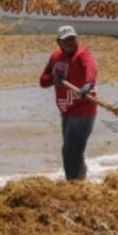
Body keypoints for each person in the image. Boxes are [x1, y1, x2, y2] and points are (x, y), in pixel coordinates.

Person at [39, 25, 97, 181]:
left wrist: (88, 84)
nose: (70, 43)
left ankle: (72, 184)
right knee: (75, 149)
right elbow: (43, 81)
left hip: (83, 109)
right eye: (66, 41)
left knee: (71, 151)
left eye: (72, 39)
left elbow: (90, 68)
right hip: (66, 111)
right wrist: (53, 79)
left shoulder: (82, 54)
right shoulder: (56, 57)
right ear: (59, 42)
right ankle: (81, 179)